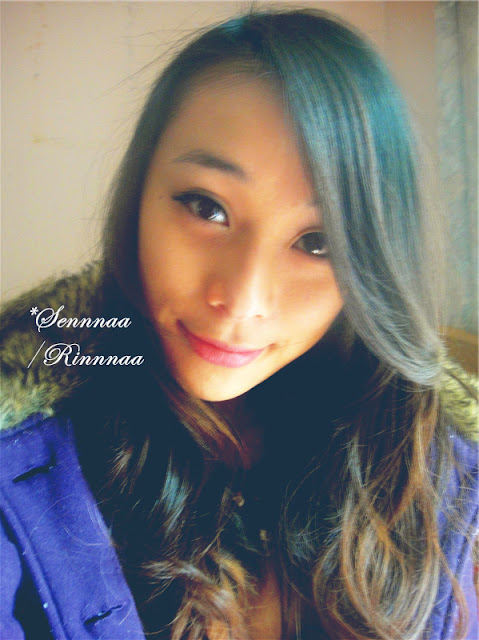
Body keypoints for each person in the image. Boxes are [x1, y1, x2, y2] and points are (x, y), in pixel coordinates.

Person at [0, 7, 477, 640]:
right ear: (138, 192)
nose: (243, 299)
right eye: (206, 207)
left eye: (318, 242)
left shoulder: (430, 461)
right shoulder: (24, 446)